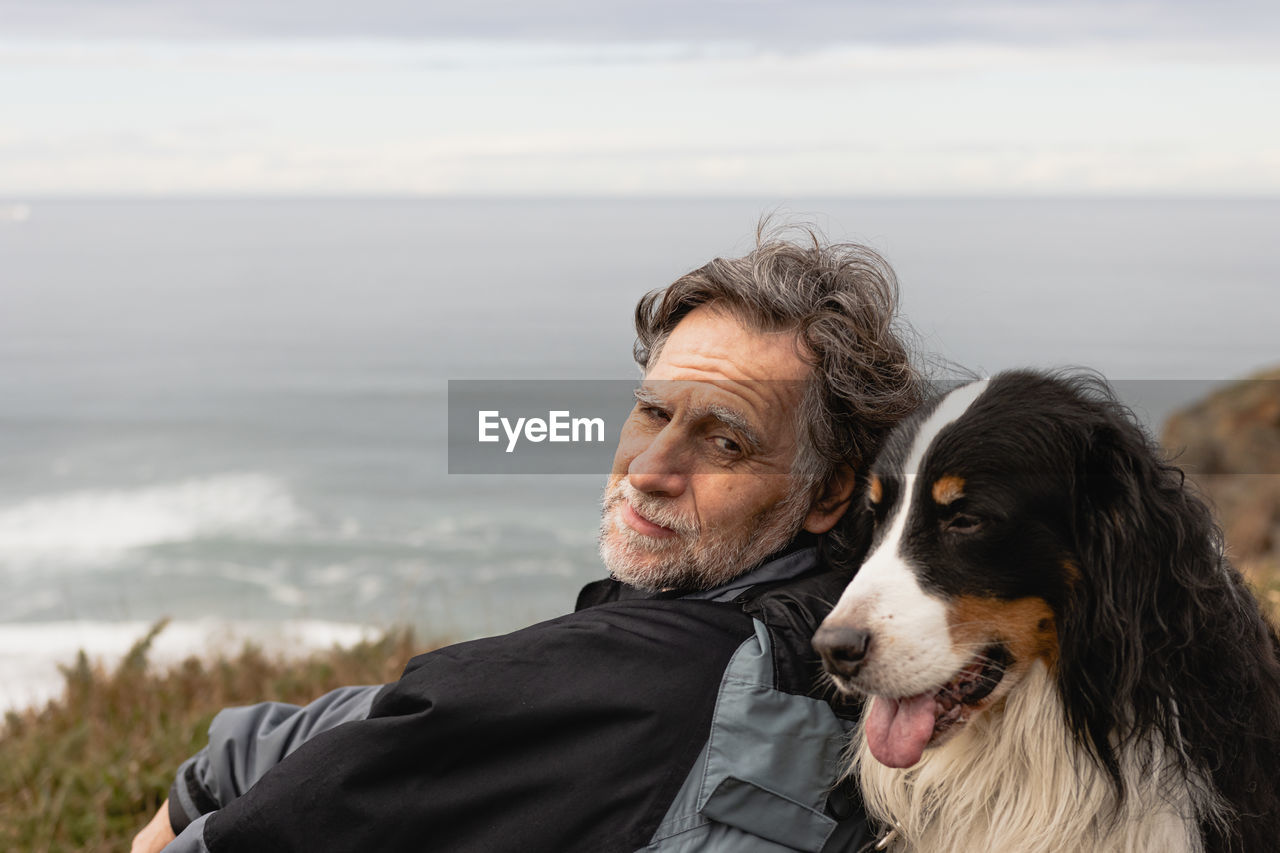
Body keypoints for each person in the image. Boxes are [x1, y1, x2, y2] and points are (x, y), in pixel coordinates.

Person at [132, 225, 922, 853]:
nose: (649, 470)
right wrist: (225, 762)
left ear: (829, 492)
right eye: (652, 412)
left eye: (725, 443)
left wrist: (197, 800)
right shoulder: (853, 628)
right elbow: (426, 717)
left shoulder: (646, 684)